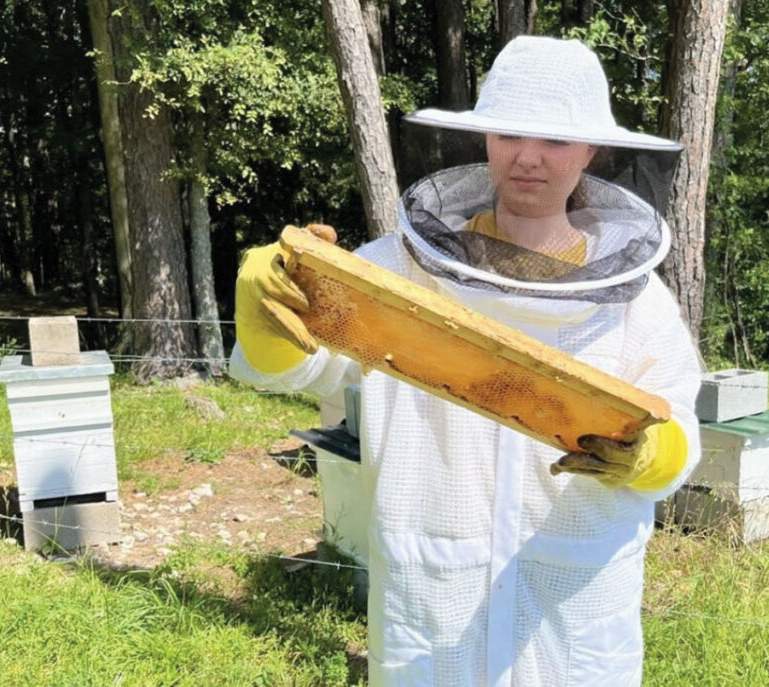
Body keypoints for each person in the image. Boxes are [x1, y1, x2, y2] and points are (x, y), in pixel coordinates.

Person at [230, 35, 701, 687]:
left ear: (592, 150)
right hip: (434, 610)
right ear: (484, 139)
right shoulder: (398, 269)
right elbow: (297, 369)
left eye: (555, 140)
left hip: (572, 615)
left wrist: (658, 454)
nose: (527, 157)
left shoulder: (636, 303)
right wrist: (270, 307)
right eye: (509, 133)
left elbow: (681, 429)